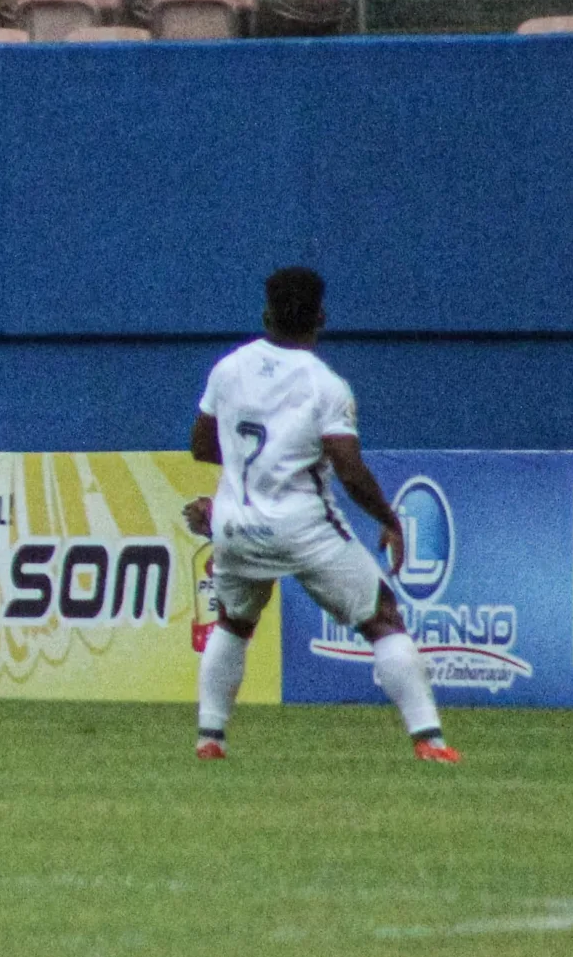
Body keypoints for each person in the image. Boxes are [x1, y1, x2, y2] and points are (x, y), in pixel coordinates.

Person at [184, 266, 456, 764]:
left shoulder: (228, 369)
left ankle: (210, 738)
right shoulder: (324, 385)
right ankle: (430, 741)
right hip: (302, 528)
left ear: (266, 313)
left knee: (233, 621)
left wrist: (243, 487)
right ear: (322, 317)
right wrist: (390, 519)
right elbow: (349, 471)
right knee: (382, 620)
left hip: (236, 527)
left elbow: (203, 445)